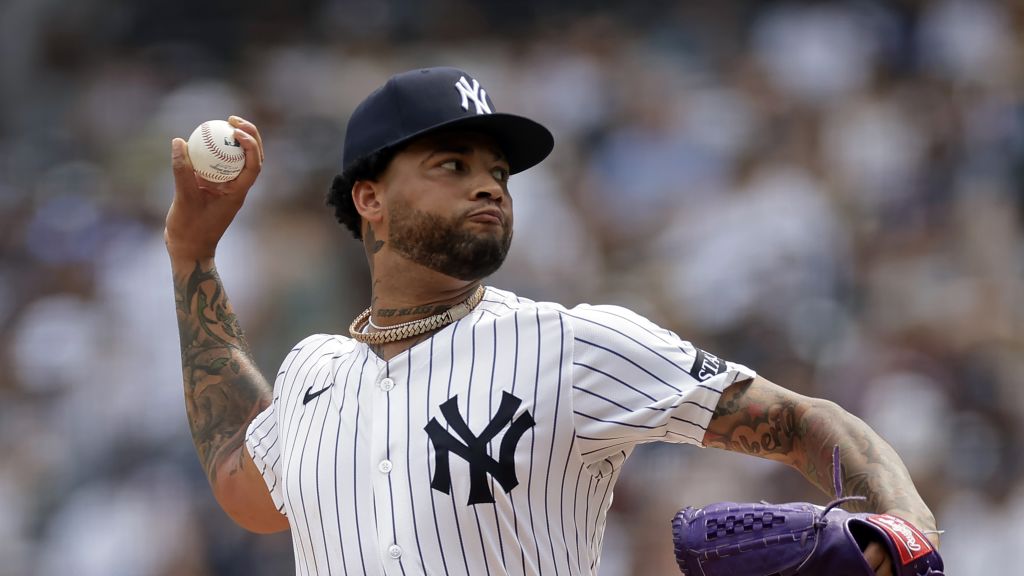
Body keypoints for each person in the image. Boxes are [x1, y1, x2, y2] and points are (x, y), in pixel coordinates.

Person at [165, 67, 939, 575]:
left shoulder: (569, 344)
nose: (490, 188)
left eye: (499, 173)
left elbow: (805, 420)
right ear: (369, 199)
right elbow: (243, 480)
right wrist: (193, 254)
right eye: (452, 165)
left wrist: (904, 526)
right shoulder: (313, 371)